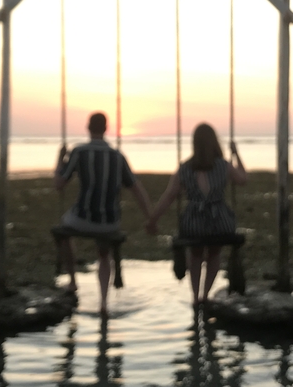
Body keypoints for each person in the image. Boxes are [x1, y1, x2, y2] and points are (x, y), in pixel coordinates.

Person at [54, 112, 154, 315]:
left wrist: (60, 158)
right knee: (104, 252)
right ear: (106, 129)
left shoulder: (78, 152)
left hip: (82, 219)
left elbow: (59, 184)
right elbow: (137, 189)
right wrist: (150, 218)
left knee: (64, 229)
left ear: (88, 128)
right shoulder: (118, 156)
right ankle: (104, 303)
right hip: (110, 222)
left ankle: (72, 281)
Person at [146, 123, 247, 306]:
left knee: (195, 254)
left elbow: (169, 196)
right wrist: (236, 153)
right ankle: (205, 295)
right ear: (214, 142)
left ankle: (195, 297)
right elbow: (243, 179)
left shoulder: (184, 169)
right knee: (214, 253)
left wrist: (153, 219)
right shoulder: (223, 166)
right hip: (220, 222)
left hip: (194, 223)